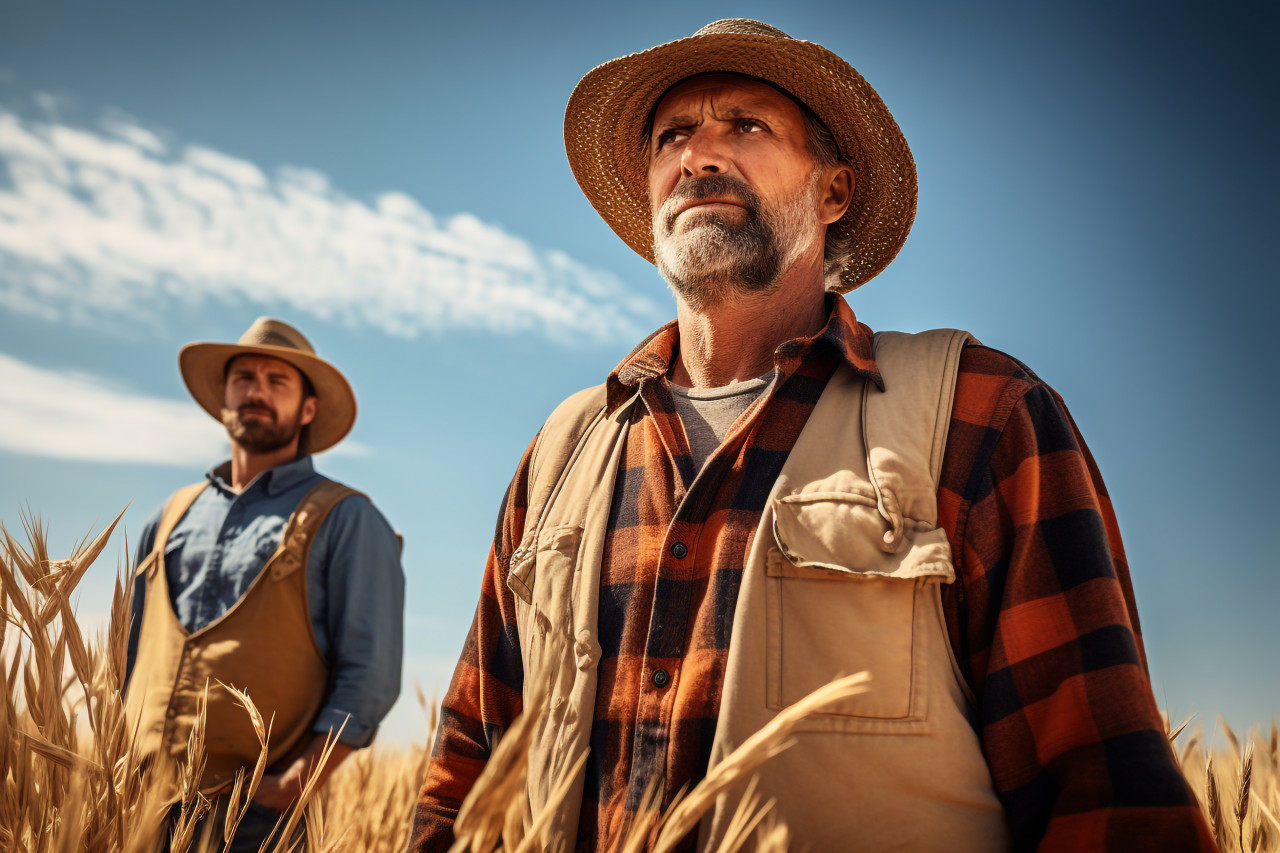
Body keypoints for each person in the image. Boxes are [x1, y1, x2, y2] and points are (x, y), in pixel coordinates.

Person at [412, 19, 1213, 852]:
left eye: (746, 126)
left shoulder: (980, 411)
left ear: (833, 193)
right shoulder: (561, 451)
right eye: (673, 136)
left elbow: (1105, 791)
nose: (699, 156)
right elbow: (467, 760)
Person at [125, 316, 404, 851]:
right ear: (224, 397)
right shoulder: (167, 516)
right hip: (139, 805)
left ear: (307, 409)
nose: (257, 391)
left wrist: (288, 789)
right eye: (244, 378)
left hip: (256, 818)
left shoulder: (345, 519)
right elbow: (130, 651)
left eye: (278, 381)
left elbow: (370, 673)